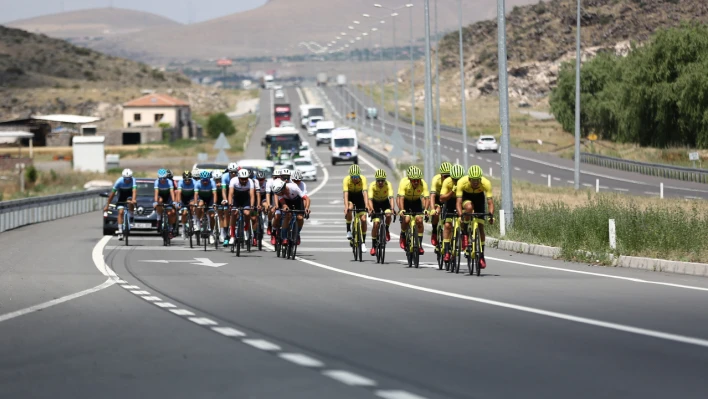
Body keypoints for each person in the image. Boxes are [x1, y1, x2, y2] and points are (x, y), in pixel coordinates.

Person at [456, 165, 495, 269]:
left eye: (477, 180)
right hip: (466, 197)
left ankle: (481, 256)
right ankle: (464, 233)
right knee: (468, 208)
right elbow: (458, 202)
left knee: (481, 227)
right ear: (469, 179)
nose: (475, 182)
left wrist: (491, 215)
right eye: (473, 180)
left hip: (479, 199)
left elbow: (490, 202)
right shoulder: (462, 182)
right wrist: (460, 215)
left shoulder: (486, 183)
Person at [397, 166, 429, 254]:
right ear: (410, 179)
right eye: (414, 180)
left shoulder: (423, 184)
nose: (416, 182)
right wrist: (402, 210)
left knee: (419, 220)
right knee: (406, 219)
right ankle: (403, 235)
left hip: (416, 201)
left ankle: (419, 244)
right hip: (405, 202)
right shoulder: (404, 183)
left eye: (417, 180)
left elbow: (427, 198)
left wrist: (426, 210)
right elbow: (401, 198)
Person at [438, 164, 465, 262]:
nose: (457, 182)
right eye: (454, 179)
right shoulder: (447, 182)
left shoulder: (466, 182)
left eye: (459, 179)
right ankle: (446, 251)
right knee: (448, 225)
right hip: (449, 202)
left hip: (461, 201)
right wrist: (452, 192)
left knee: (463, 220)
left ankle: (464, 236)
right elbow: (441, 198)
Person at [271, 179, 310, 246]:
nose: (279, 194)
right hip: (287, 202)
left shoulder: (294, 188)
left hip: (297, 201)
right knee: (287, 216)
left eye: (280, 193)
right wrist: (285, 207)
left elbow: (307, 199)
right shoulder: (279, 193)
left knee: (300, 218)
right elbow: (283, 203)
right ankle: (284, 238)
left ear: (283, 188)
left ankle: (297, 233)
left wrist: (306, 208)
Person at [342, 165, 370, 253]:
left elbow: (365, 193)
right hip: (350, 196)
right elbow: (346, 195)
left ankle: (363, 242)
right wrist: (346, 207)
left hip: (359, 197)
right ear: (350, 176)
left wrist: (367, 205)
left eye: (356, 177)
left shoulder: (363, 179)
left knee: (364, 219)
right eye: (353, 177)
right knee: (350, 208)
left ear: (359, 176)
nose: (355, 179)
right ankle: (348, 230)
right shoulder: (346, 180)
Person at [367, 169, 394, 256]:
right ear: (376, 180)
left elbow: (391, 198)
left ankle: (386, 230)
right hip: (375, 204)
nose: (381, 182)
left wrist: (392, 208)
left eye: (382, 180)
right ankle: (373, 246)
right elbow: (370, 200)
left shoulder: (388, 185)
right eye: (379, 180)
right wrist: (371, 209)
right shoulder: (372, 186)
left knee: (388, 214)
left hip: (385, 202)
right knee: (376, 224)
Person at [104, 168, 137, 240]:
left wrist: (134, 200)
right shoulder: (119, 181)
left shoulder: (133, 180)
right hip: (121, 196)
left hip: (129, 195)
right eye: (126, 179)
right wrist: (107, 206)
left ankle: (131, 216)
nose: (127, 180)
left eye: (129, 178)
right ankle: (120, 230)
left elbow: (134, 191)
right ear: (123, 177)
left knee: (130, 201)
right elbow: (111, 195)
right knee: (120, 212)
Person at [228, 169, 256, 245]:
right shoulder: (233, 180)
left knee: (247, 213)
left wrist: (252, 206)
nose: (244, 181)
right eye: (242, 179)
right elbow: (230, 194)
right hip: (236, 198)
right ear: (238, 178)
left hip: (245, 198)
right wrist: (230, 204)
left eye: (245, 179)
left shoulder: (250, 182)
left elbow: (252, 195)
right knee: (234, 214)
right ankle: (232, 236)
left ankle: (246, 229)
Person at [429, 162, 452, 246]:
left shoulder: (452, 180)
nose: (447, 178)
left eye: (449, 176)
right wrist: (432, 209)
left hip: (447, 198)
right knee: (436, 212)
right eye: (445, 176)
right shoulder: (436, 179)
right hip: (438, 198)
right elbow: (432, 195)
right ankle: (434, 231)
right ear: (441, 175)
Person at [195, 170, 218, 244]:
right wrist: (196, 204)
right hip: (201, 197)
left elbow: (214, 194)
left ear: (209, 179)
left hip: (210, 198)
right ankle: (198, 223)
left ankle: (211, 232)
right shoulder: (197, 183)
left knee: (212, 216)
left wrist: (214, 203)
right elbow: (195, 195)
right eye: (203, 180)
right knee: (199, 205)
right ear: (200, 179)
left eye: (206, 180)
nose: (205, 182)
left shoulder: (212, 183)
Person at [153, 168, 177, 236]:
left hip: (168, 197)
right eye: (161, 178)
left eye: (164, 178)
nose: (162, 180)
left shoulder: (169, 182)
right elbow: (156, 193)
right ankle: (159, 220)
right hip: (160, 196)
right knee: (159, 201)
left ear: (166, 177)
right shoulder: (156, 182)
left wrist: (174, 202)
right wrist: (155, 202)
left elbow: (172, 192)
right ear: (158, 178)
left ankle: (170, 228)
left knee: (171, 213)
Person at [221, 163, 240, 246]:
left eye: (234, 172)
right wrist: (225, 199)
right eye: (231, 172)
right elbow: (224, 190)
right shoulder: (225, 177)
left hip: (237, 194)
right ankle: (225, 236)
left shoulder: (239, 177)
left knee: (237, 212)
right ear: (228, 172)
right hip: (228, 193)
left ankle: (238, 229)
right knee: (226, 214)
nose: (233, 174)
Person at [177, 171, 197, 239]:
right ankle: (183, 230)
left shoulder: (194, 182)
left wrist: (195, 202)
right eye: (185, 179)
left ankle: (194, 223)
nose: (187, 181)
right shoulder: (180, 182)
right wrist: (179, 202)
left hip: (191, 197)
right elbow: (179, 193)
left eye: (189, 179)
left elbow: (196, 193)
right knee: (184, 213)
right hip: (183, 198)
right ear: (183, 179)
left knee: (192, 207)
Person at [212, 170, 229, 244]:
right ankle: (217, 232)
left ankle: (223, 233)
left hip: (222, 198)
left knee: (224, 214)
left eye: (219, 179)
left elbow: (226, 192)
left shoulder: (224, 182)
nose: (217, 181)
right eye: (216, 180)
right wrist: (214, 204)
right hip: (215, 199)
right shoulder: (211, 183)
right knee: (219, 214)